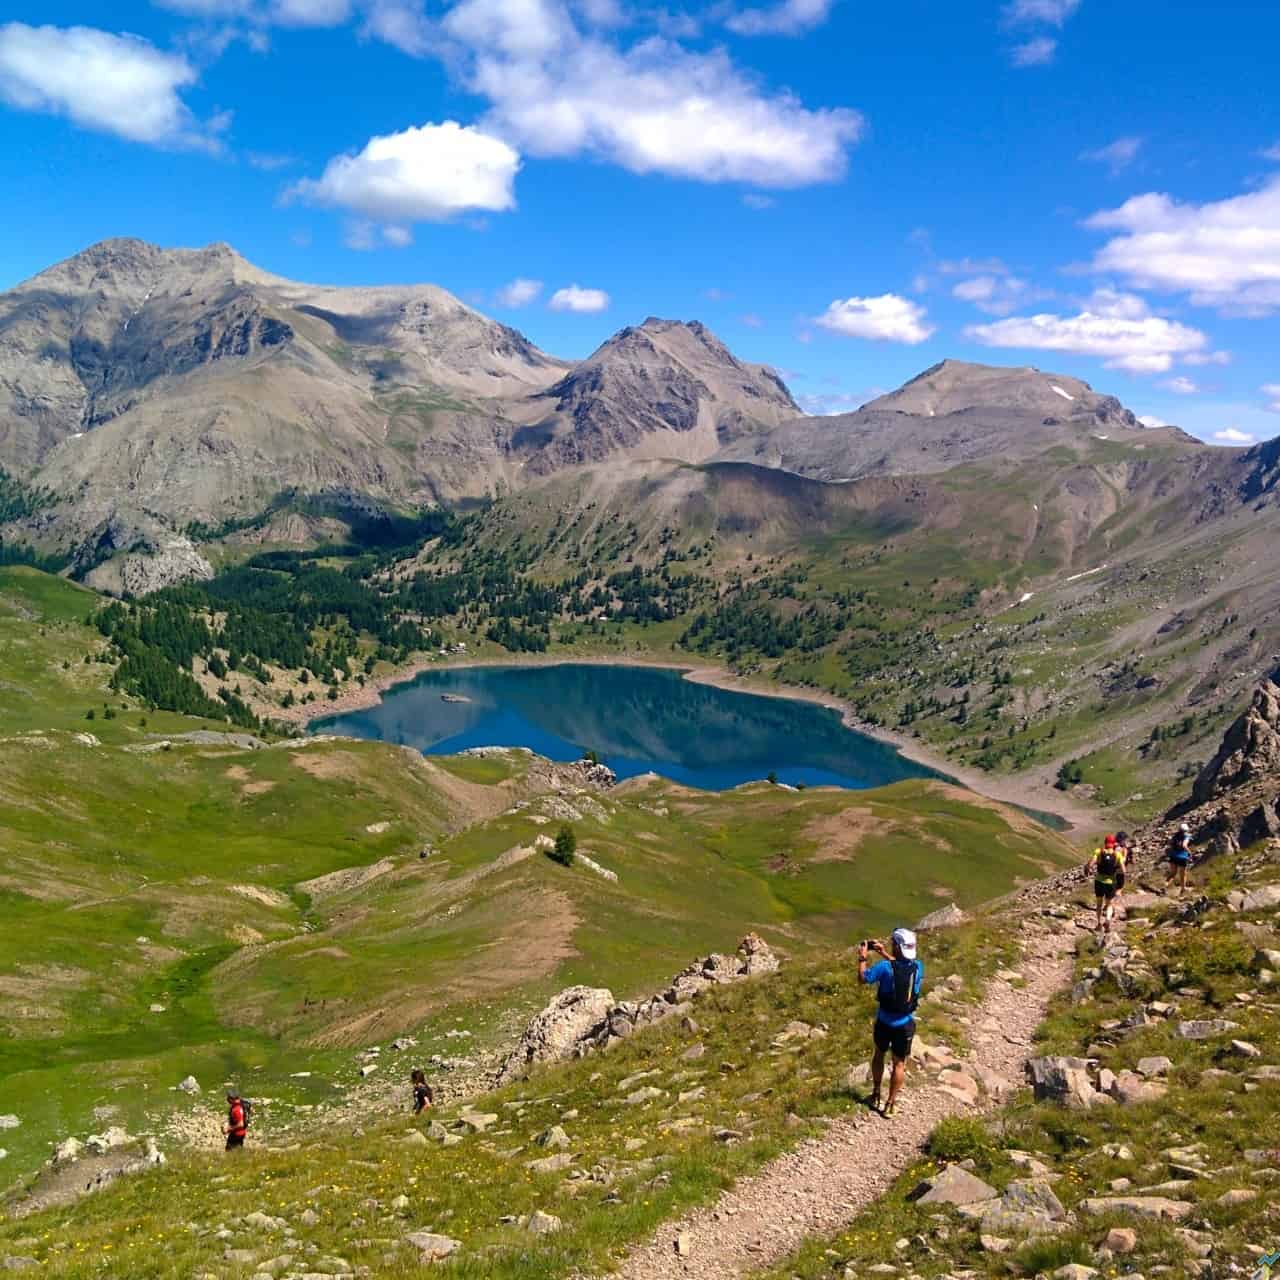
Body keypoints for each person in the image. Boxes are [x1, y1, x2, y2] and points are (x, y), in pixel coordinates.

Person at [859, 928, 923, 1118]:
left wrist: (863, 958)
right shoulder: (919, 967)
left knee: (879, 1055)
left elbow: (863, 978)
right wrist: (884, 953)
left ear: (897, 946)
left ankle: (876, 1094)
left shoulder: (884, 968)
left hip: (884, 1022)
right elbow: (901, 967)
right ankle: (890, 1104)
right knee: (899, 1064)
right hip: (905, 1024)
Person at [1087, 835, 1122, 934]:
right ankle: (1107, 920)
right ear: (1114, 843)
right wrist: (1115, 871)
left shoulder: (1099, 851)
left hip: (1099, 881)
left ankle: (1098, 924)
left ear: (1105, 842)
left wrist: (1088, 870)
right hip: (1111, 882)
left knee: (1099, 904)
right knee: (1109, 904)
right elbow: (1123, 870)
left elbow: (1091, 864)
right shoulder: (1117, 854)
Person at [1166, 822, 1194, 895]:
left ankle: (1164, 885)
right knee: (1183, 874)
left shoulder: (1175, 836)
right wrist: (1190, 853)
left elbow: (1170, 843)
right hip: (1182, 857)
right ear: (1186, 830)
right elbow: (1184, 845)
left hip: (1173, 856)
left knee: (1172, 873)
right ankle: (1183, 889)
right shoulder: (1186, 836)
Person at [1113, 830, 1131, 917]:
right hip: (1120, 870)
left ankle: (1108, 906)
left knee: (1113, 888)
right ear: (1122, 839)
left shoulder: (1112, 846)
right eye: (1125, 839)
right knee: (1119, 888)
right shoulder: (1123, 848)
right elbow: (1123, 860)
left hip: (1111, 870)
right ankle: (1115, 908)